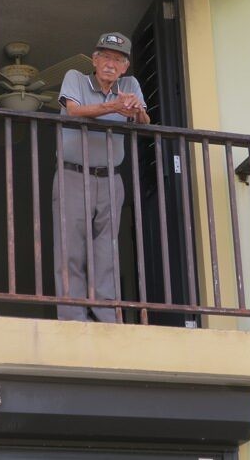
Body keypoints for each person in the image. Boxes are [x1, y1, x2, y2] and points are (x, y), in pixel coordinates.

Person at [52, 32, 150, 322]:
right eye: (105, 57)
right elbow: (73, 111)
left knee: (107, 247)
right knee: (71, 245)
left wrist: (135, 111)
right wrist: (113, 107)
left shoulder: (129, 85)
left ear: (125, 67)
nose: (110, 64)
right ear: (94, 60)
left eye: (117, 60)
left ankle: (107, 313)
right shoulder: (76, 79)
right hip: (73, 174)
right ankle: (73, 315)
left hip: (111, 178)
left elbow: (144, 120)